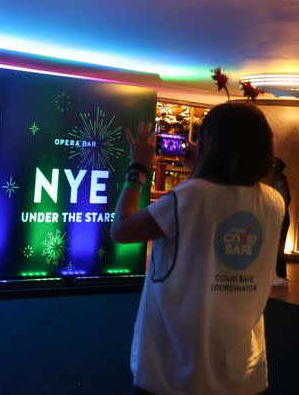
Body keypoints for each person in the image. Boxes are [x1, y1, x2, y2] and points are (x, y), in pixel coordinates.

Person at [112, 102, 284, 394]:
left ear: (208, 144)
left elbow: (122, 229)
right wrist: (199, 171)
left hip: (176, 368)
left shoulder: (190, 196)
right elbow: (215, 204)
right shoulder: (273, 201)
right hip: (242, 369)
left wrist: (138, 168)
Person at [270, 157, 291, 287]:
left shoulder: (279, 182)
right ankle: (279, 275)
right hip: (280, 217)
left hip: (280, 218)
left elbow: (283, 201)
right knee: (277, 247)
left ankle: (281, 276)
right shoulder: (280, 181)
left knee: (278, 247)